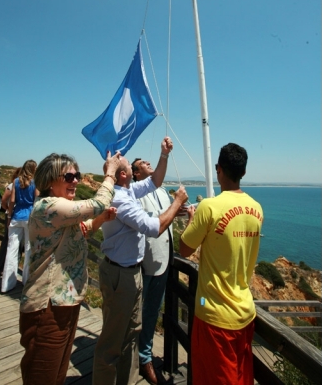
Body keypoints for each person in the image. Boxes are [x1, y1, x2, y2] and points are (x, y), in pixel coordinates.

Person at [18, 151, 123, 385]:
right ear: (49, 181)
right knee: (42, 377)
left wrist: (101, 219)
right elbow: (98, 203)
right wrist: (110, 172)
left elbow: (83, 230)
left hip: (64, 302)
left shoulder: (61, 211)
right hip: (47, 305)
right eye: (68, 177)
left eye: (77, 175)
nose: (75, 180)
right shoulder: (49, 207)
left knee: (57, 375)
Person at [92, 137, 189, 385]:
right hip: (120, 275)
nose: (122, 155)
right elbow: (153, 227)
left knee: (130, 335)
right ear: (125, 175)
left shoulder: (126, 191)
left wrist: (164, 155)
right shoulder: (120, 198)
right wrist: (178, 202)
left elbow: (155, 181)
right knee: (112, 342)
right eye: (123, 160)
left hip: (130, 272)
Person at [179, 143, 264, 385]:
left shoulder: (209, 206)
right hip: (245, 312)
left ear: (219, 169)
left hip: (214, 315)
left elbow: (184, 249)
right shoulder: (257, 209)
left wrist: (192, 220)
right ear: (243, 172)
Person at [131, 156, 194, 385]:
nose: (147, 162)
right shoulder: (135, 193)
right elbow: (152, 224)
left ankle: (143, 355)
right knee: (141, 312)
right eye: (142, 163)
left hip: (164, 261)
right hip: (147, 262)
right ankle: (140, 358)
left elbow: (168, 213)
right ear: (136, 173)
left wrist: (186, 210)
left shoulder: (161, 191)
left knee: (153, 311)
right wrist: (176, 203)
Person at [1, 160, 38, 293]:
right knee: (28, 249)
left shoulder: (16, 182)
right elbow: (36, 201)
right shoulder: (35, 183)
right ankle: (26, 281)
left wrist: (9, 216)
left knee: (11, 250)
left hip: (16, 217)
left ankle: (7, 284)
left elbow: (11, 201)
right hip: (29, 218)